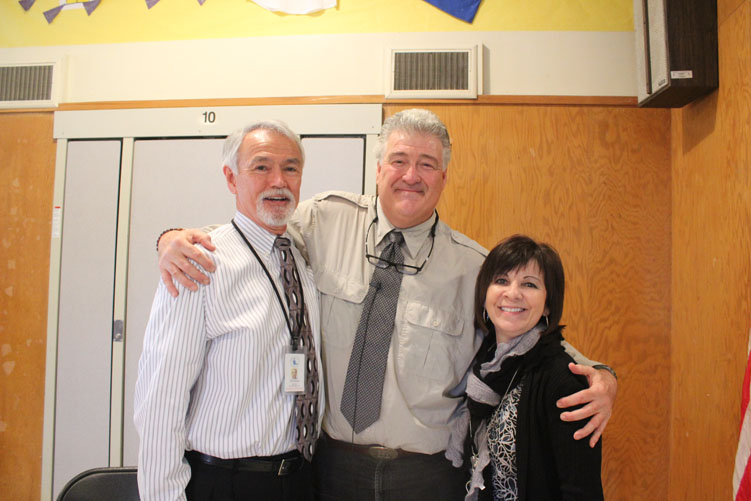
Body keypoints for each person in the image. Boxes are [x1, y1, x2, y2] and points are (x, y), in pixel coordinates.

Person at [156, 109, 617, 500]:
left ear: (444, 176)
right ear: (378, 169)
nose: (411, 176)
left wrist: (600, 373)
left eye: (426, 164)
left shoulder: (475, 267)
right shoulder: (322, 220)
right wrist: (172, 240)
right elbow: (255, 230)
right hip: (332, 468)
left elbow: (525, 333)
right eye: (398, 160)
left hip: (429, 476)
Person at [134, 121, 323, 501]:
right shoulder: (199, 263)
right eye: (261, 167)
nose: (278, 181)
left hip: (299, 478)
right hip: (227, 482)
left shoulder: (301, 260)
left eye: (290, 168)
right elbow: (160, 401)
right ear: (231, 178)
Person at [446, 235, 603, 500]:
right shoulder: (482, 368)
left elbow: (581, 491)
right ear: (484, 295)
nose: (513, 293)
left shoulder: (563, 380)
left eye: (529, 284)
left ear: (548, 305)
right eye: (501, 281)